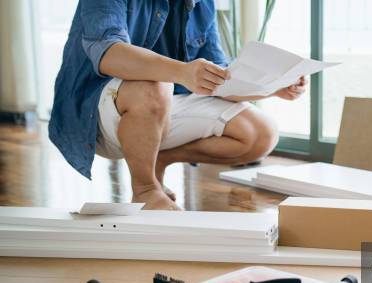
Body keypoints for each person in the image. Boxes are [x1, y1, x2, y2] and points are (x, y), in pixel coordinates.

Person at [49, 0, 307, 210]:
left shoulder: (202, 4)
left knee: (261, 133)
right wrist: (182, 71)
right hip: (97, 111)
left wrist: (273, 87)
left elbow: (219, 78)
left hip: (162, 103)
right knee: (155, 84)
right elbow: (108, 53)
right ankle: (145, 189)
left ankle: (157, 157)